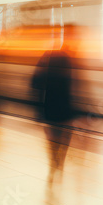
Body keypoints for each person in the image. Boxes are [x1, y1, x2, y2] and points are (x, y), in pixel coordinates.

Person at [33, 25, 80, 179]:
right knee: (63, 136)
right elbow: (76, 84)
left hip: (52, 105)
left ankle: (55, 162)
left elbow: (35, 81)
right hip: (64, 106)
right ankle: (58, 162)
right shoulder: (70, 58)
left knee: (54, 137)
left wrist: (38, 107)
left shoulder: (50, 56)